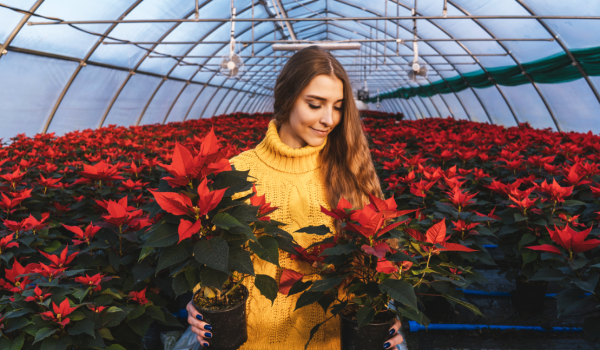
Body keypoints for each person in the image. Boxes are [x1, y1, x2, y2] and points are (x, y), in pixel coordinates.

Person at [185, 46, 404, 349]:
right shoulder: (235, 172)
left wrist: (384, 316)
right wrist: (200, 304)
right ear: (287, 100)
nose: (329, 119)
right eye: (315, 104)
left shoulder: (349, 172)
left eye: (338, 106)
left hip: (329, 341)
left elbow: (371, 266)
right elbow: (214, 260)